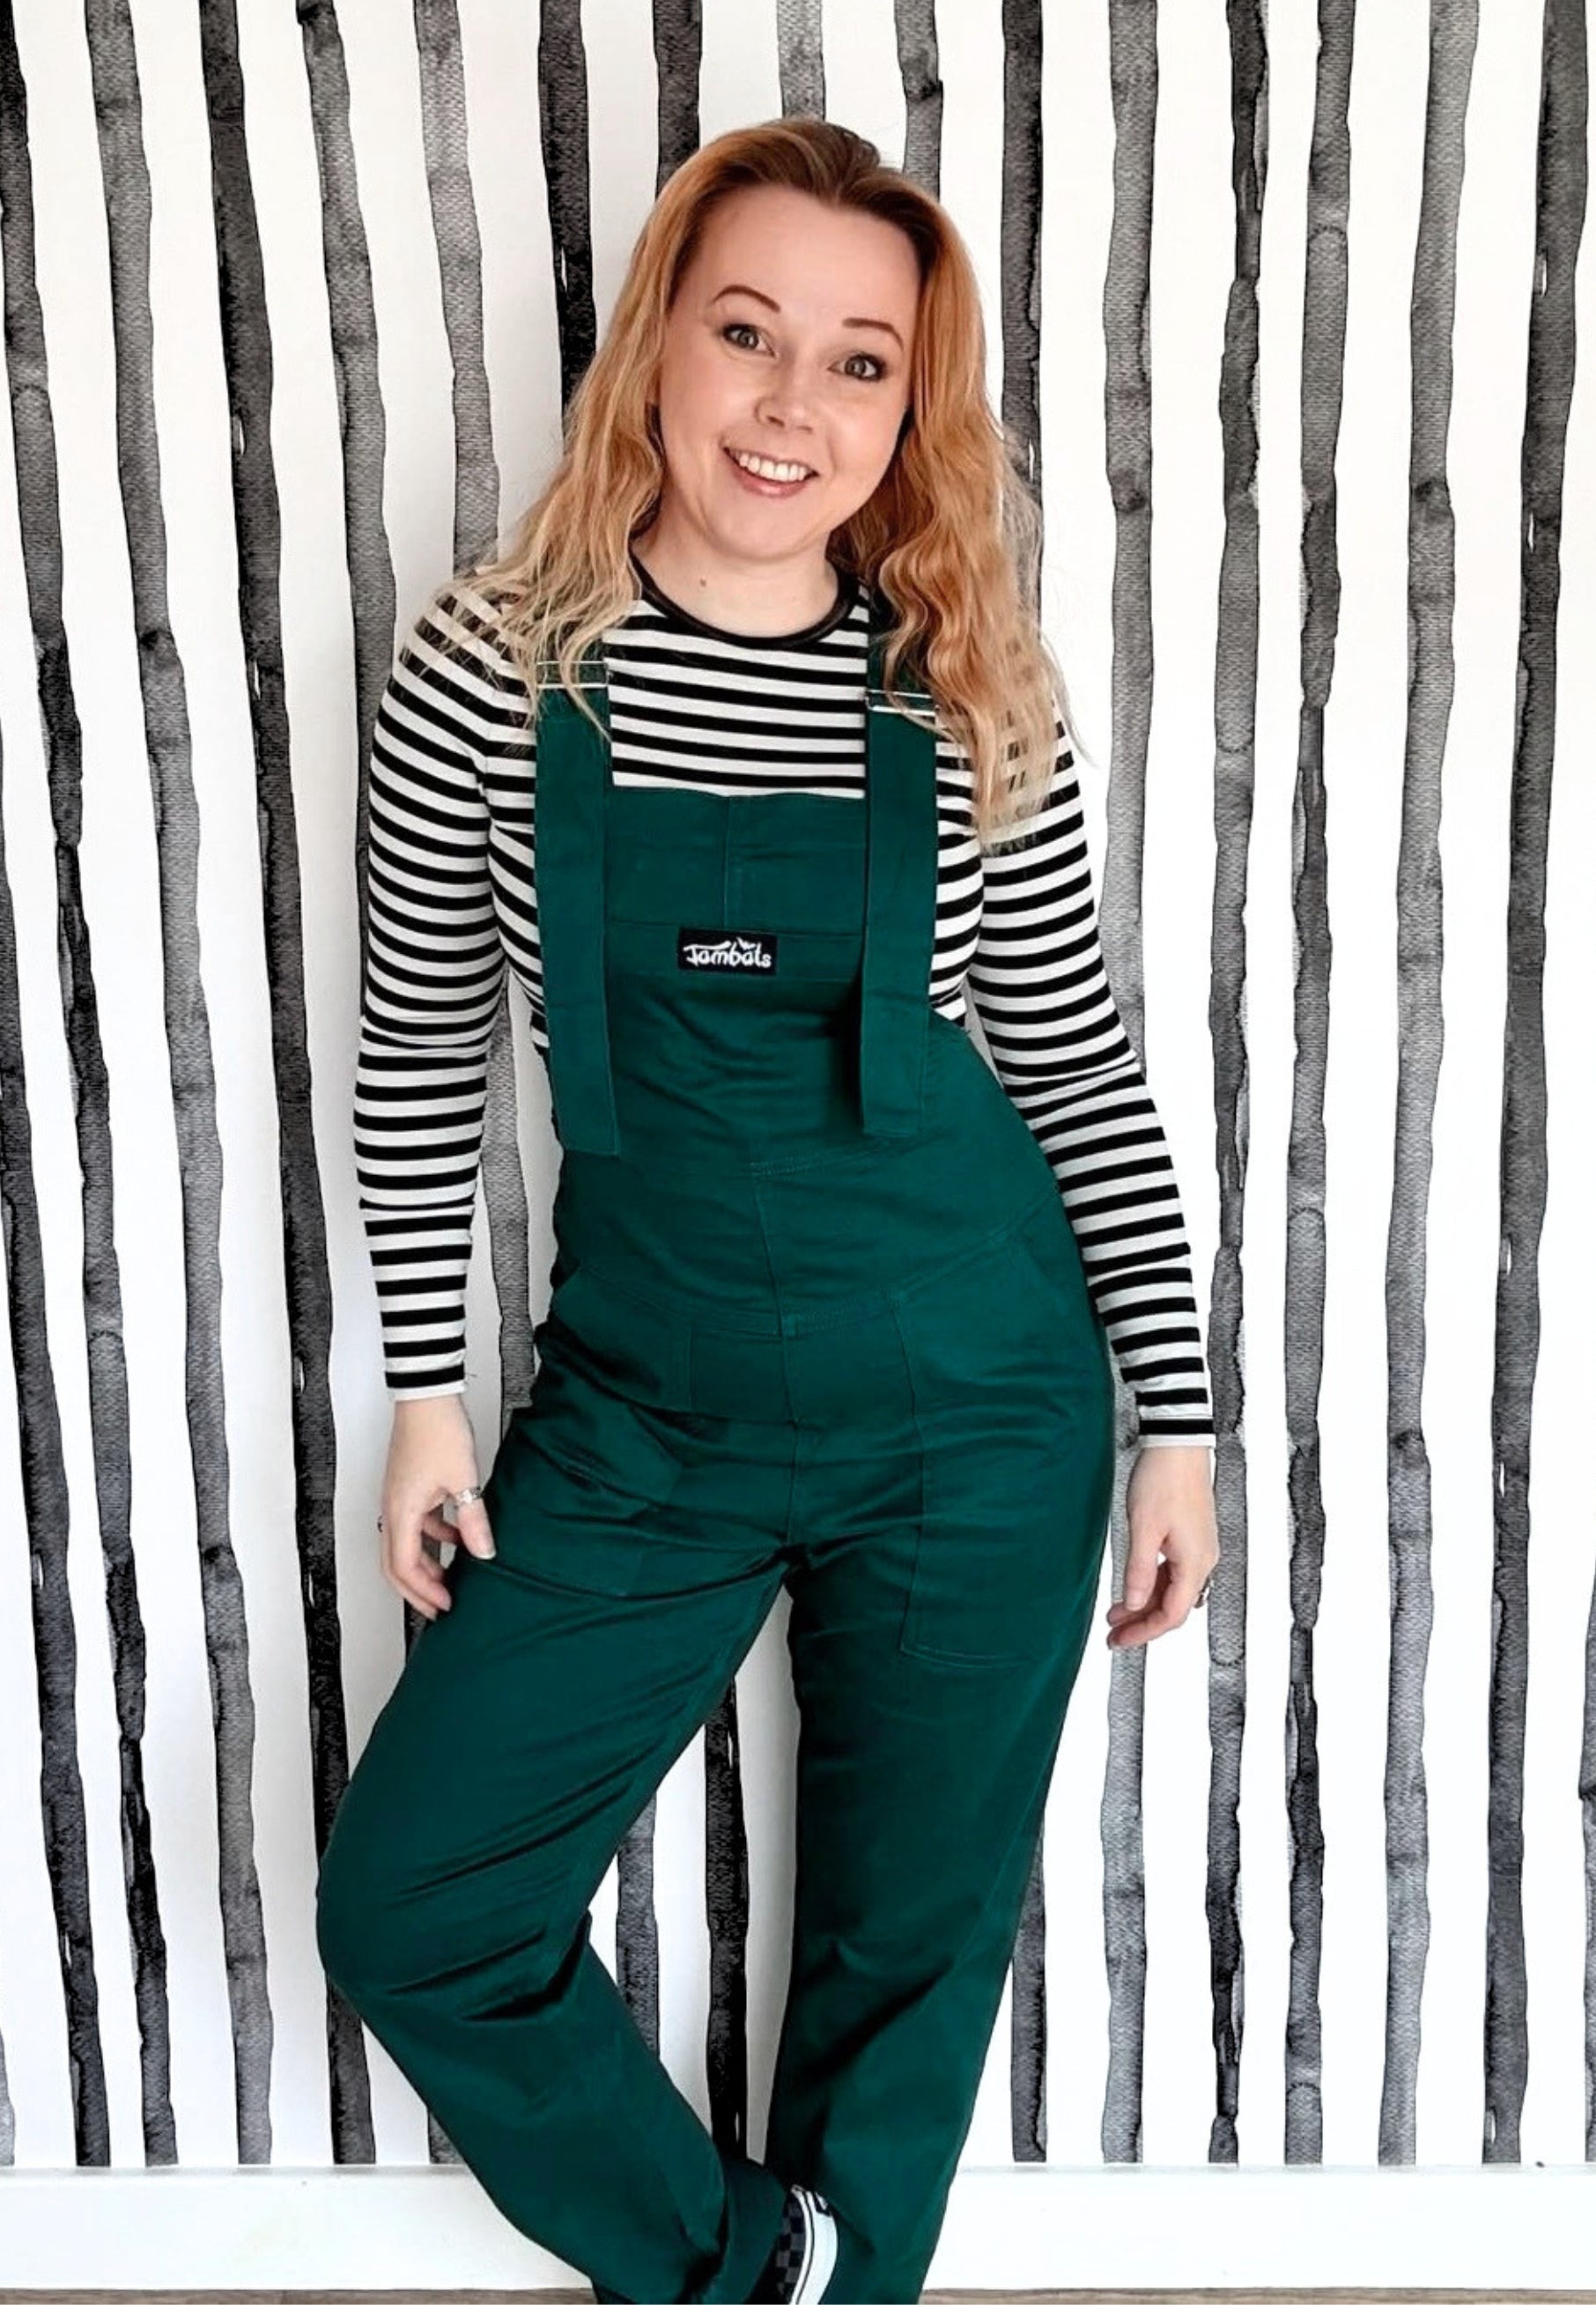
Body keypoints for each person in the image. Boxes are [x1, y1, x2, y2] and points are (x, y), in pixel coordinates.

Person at [315, 115, 1219, 2305]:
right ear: (658, 343)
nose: (790, 407)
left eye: (857, 361)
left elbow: (1083, 1062)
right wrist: (428, 1400)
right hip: (649, 1407)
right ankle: (754, 2273)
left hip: (974, 1398)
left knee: (901, 1973)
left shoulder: (962, 692)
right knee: (418, 1900)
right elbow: (422, 1050)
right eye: (746, 333)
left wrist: (1176, 1418)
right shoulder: (490, 666)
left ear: (913, 409)